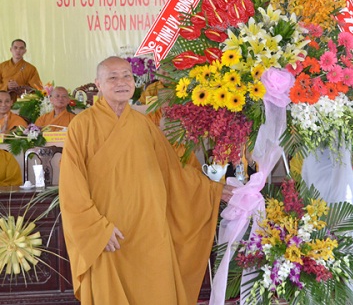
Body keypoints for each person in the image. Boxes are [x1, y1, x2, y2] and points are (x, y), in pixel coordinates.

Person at [58, 56, 234, 305]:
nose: (122, 82)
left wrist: (213, 190)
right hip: (110, 237)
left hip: (150, 234)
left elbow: (175, 174)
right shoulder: (81, 126)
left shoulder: (145, 126)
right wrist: (96, 230)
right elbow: (71, 189)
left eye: (127, 76)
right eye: (113, 77)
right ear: (98, 83)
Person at [299, 149, 353, 305]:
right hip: (313, 178)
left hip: (338, 182)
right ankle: (324, 292)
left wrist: (340, 196)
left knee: (349, 242)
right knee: (314, 238)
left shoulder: (337, 125)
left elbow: (342, 156)